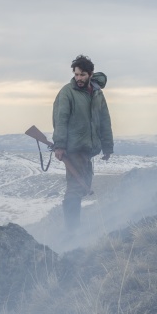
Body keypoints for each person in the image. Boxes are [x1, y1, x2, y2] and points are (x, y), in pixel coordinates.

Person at [52, 54, 114, 230]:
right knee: (75, 188)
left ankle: (74, 230)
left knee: (83, 185)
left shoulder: (97, 93)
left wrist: (107, 147)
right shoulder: (67, 92)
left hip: (88, 150)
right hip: (73, 149)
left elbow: (104, 120)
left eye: (82, 75)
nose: (78, 78)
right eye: (76, 74)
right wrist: (60, 145)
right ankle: (71, 233)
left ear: (90, 74)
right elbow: (61, 119)